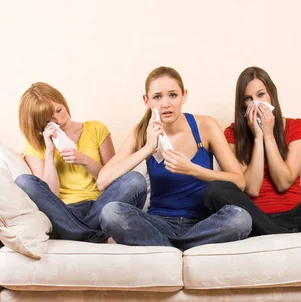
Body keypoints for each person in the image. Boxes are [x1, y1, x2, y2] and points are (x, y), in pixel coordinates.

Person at [96, 67, 252, 250]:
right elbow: (102, 181)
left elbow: (239, 181)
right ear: (146, 101)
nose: (165, 103)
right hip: (158, 223)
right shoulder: (142, 133)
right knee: (111, 212)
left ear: (184, 96)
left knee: (241, 218)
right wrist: (148, 148)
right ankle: (184, 247)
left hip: (202, 223)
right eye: (157, 97)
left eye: (172, 95)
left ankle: (165, 248)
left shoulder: (206, 126)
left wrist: (192, 169)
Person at [204, 67, 301, 236]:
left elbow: (283, 183)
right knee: (215, 190)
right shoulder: (232, 133)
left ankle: (271, 230)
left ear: (271, 95)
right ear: (242, 105)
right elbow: (252, 189)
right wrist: (258, 138)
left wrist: (269, 136)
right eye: (248, 99)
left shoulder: (298, 127)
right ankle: (288, 234)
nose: (256, 103)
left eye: (261, 95)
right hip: (252, 215)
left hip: (293, 214)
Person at [15, 82, 147, 243]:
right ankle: (93, 237)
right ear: (41, 124)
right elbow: (50, 194)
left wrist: (84, 160)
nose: (60, 120)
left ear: (63, 103)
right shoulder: (36, 144)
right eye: (50, 120)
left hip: (102, 207)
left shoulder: (96, 129)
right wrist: (49, 152)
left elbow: (112, 179)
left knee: (135, 179)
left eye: (59, 110)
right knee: (24, 181)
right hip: (65, 212)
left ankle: (76, 234)